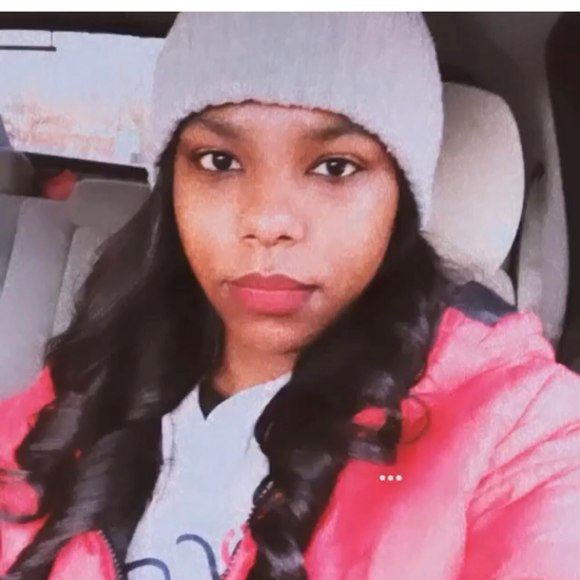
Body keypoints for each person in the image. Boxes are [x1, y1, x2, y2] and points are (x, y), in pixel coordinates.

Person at [1, 12, 580, 580]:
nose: (268, 221)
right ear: (172, 185)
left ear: (400, 196)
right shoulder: (91, 377)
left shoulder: (514, 425)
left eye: (335, 167)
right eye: (220, 161)